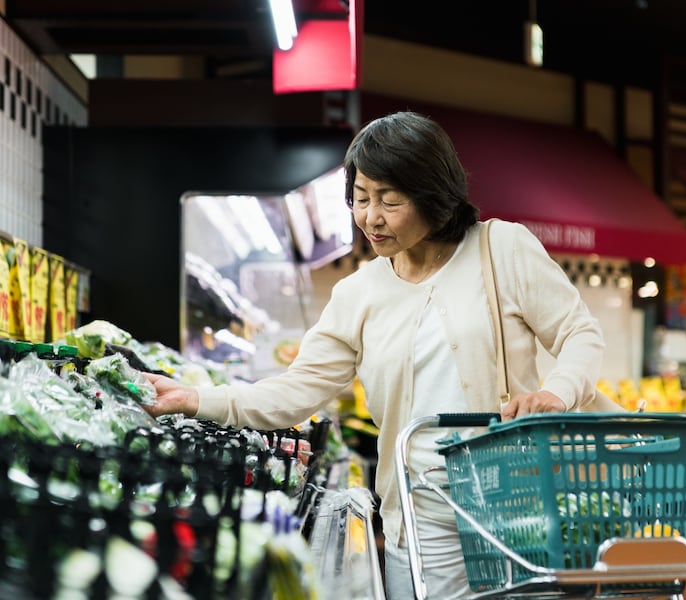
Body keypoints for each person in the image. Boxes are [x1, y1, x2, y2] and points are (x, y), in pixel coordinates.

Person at [143, 110, 623, 599]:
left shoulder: (502, 249)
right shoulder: (359, 294)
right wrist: (198, 399)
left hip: (518, 509)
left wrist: (554, 393)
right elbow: (296, 390)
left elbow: (580, 334)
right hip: (421, 518)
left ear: (433, 195)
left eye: (389, 200)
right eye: (360, 198)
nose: (371, 217)